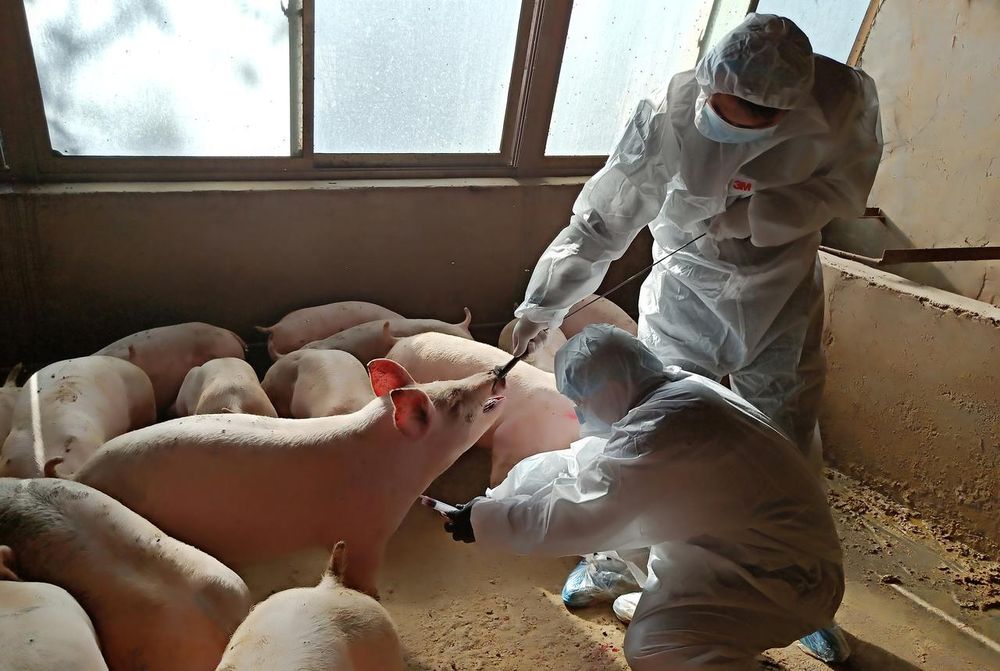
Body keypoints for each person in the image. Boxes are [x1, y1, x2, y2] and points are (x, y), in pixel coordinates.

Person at [510, 13, 883, 472]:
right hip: (687, 283)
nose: (729, 134)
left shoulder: (839, 103)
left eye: (749, 124)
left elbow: (845, 191)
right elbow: (602, 221)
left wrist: (764, 214)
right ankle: (646, 527)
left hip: (781, 283)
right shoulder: (671, 114)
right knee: (660, 412)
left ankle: (767, 528)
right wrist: (543, 305)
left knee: (783, 419)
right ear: (708, 84)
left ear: (788, 110)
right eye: (721, 112)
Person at [444, 325, 845, 671]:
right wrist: (498, 501)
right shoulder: (676, 392)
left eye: (582, 400)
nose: (580, 414)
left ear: (613, 388)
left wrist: (487, 522)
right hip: (757, 551)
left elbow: (585, 515)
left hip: (783, 582)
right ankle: (686, 611)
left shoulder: (659, 432)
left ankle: (715, 642)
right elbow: (585, 465)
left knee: (653, 649)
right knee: (632, 525)